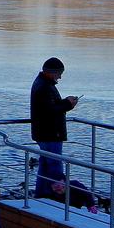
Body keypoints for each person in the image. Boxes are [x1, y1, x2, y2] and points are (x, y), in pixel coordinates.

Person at [30, 56, 97, 210]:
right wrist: (67, 103)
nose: (60, 76)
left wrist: (65, 103)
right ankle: (56, 198)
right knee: (54, 166)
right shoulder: (45, 86)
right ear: (52, 72)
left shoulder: (42, 84)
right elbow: (50, 110)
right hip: (50, 133)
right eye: (60, 73)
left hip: (45, 132)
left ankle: (41, 195)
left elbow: (49, 107)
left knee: (45, 165)